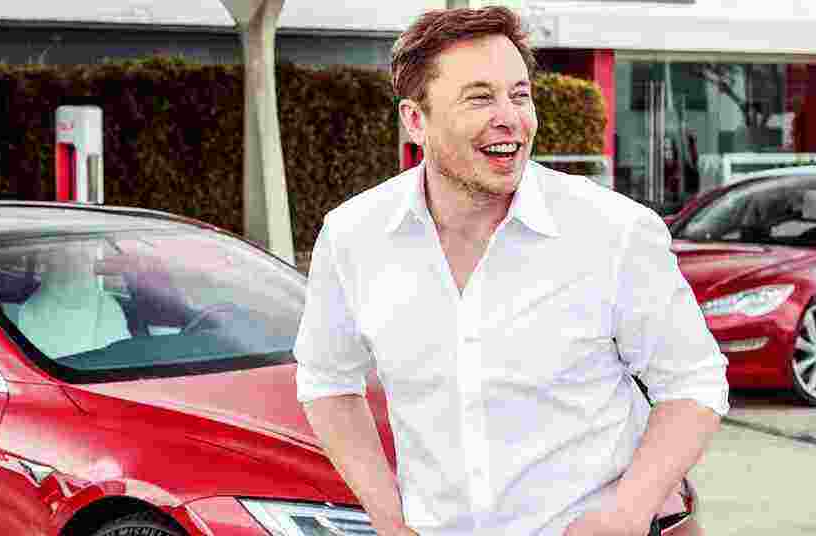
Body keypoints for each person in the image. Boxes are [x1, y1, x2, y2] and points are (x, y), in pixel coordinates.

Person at [294, 6, 729, 536]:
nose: (511, 117)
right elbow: (326, 381)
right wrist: (389, 518)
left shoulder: (614, 231)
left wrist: (626, 513)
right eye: (480, 98)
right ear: (415, 120)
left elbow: (693, 382)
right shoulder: (352, 237)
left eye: (520, 95)